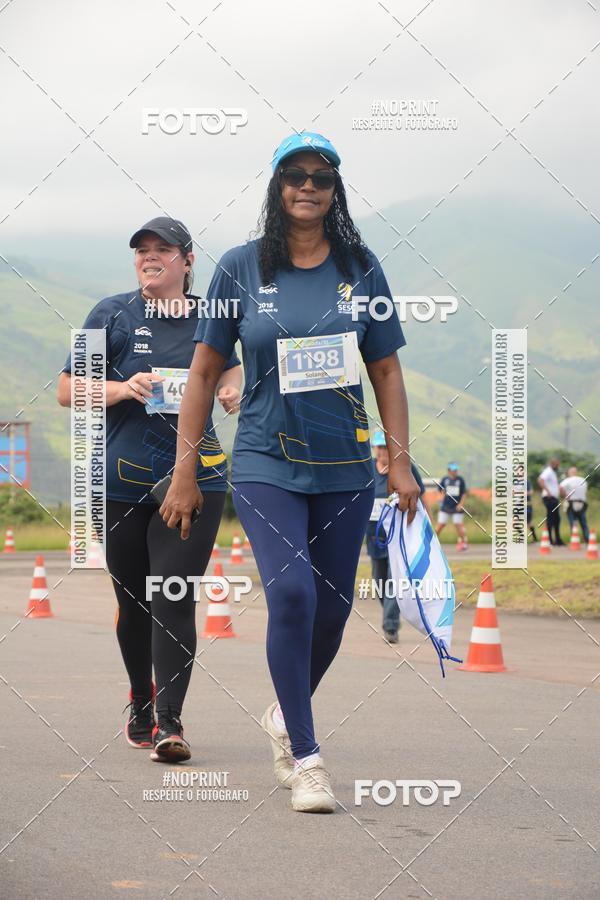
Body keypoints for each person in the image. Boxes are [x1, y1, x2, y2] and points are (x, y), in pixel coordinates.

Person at [159, 132, 420, 813]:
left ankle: (285, 714)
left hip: (346, 465)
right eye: (294, 175)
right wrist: (186, 469)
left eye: (321, 176)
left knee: (332, 615)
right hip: (264, 461)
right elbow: (203, 374)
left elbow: (386, 370)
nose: (308, 185)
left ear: (335, 191)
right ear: (277, 188)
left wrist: (400, 461)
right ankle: (307, 760)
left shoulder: (362, 268)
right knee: (295, 598)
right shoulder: (241, 269)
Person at [57, 217, 242, 763]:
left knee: (174, 593)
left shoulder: (214, 313)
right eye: (142, 250)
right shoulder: (109, 313)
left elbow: (230, 373)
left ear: (187, 261)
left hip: (196, 478)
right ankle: (141, 696)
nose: (150, 257)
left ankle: (170, 723)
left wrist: (231, 392)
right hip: (122, 482)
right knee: (134, 603)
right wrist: (121, 388)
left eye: (163, 249)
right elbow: (68, 391)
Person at [365, 430, 426, 644]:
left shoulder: (405, 471)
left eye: (386, 448)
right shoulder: (368, 470)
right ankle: (391, 613)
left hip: (398, 538)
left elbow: (419, 498)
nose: (383, 452)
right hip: (374, 538)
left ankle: (390, 626)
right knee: (379, 582)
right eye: (380, 448)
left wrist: (422, 528)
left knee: (393, 581)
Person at [435, 463, 467, 548]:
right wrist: (440, 499)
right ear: (449, 471)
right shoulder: (445, 480)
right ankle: (433, 541)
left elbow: (464, 493)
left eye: (456, 470)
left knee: (458, 524)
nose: (455, 472)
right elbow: (439, 490)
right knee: (440, 524)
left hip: (457, 507)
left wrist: (461, 504)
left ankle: (463, 543)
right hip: (445, 506)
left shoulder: (460, 480)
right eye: (453, 470)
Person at [537, 457, 564, 545]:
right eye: (558, 465)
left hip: (554, 498)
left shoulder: (552, 473)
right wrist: (548, 491)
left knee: (556, 519)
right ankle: (549, 540)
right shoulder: (548, 471)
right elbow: (540, 480)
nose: (558, 466)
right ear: (554, 464)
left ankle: (557, 540)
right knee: (551, 518)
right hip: (549, 498)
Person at [560, 466, 589, 543]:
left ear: (569, 472)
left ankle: (575, 541)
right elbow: (585, 492)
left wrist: (565, 495)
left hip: (571, 503)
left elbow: (561, 488)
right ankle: (588, 539)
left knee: (573, 523)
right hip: (582, 503)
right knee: (584, 523)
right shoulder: (583, 480)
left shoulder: (567, 480)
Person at [526, 477, 537, 542]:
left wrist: (525, 493)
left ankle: (534, 538)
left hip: (527, 504)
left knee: (529, 523)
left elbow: (531, 491)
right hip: (517, 505)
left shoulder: (527, 481)